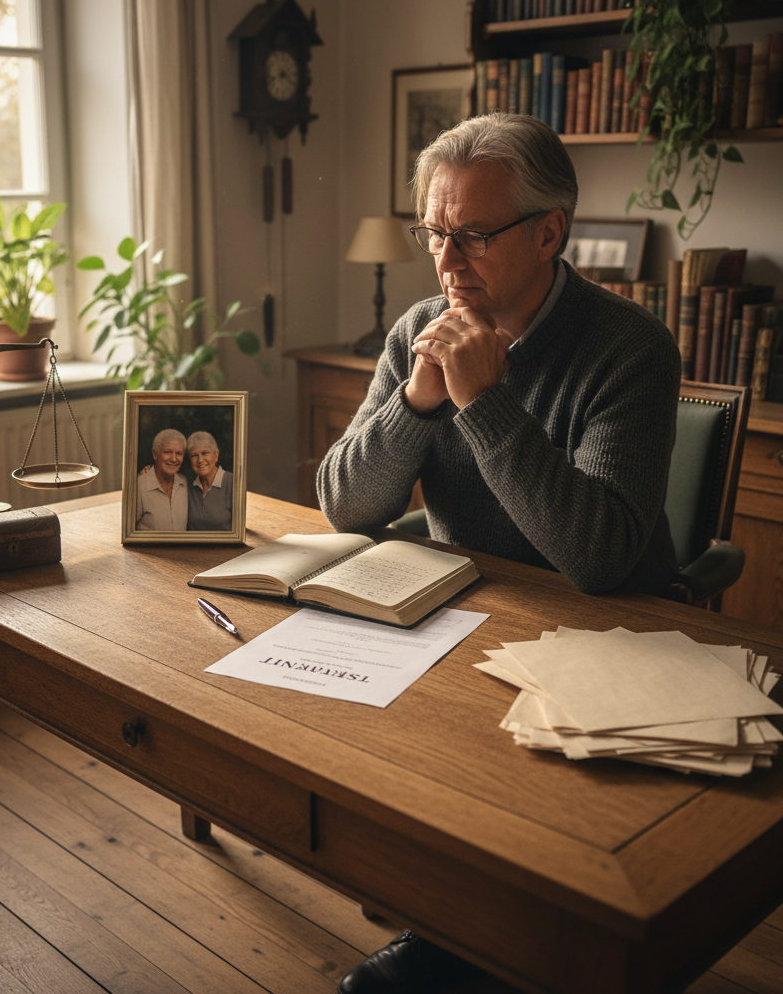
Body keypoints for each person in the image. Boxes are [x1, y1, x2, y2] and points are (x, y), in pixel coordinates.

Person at [319, 112, 681, 994]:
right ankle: (453, 922)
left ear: (549, 231)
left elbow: (596, 559)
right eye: (435, 233)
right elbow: (345, 504)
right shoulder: (418, 331)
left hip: (610, 649)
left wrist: (484, 404)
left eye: (474, 235)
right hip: (466, 631)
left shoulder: (629, 349)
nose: (446, 262)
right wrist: (417, 399)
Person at [135, 428, 188, 531]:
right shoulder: (139, 486)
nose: (173, 459)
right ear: (155, 454)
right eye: (167, 452)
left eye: (179, 453)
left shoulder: (185, 483)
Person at [187, 430, 233, 531]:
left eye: (205, 453)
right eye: (194, 455)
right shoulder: (188, 486)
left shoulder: (233, 483)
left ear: (215, 456)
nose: (200, 460)